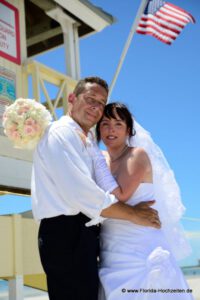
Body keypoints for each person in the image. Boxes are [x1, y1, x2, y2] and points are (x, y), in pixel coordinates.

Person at [31, 77, 161, 300]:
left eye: (101, 103)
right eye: (90, 99)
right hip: (65, 232)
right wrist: (133, 214)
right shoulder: (60, 134)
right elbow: (81, 193)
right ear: (72, 98)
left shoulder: (87, 138)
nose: (96, 107)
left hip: (84, 233)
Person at [93, 102, 193, 300]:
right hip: (111, 247)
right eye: (105, 124)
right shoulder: (101, 158)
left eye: (118, 124)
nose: (111, 129)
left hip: (139, 245)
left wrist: (96, 159)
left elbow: (120, 196)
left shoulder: (136, 154)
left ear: (128, 130)